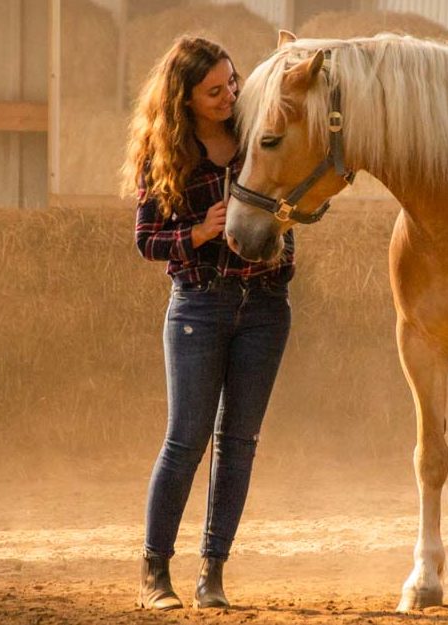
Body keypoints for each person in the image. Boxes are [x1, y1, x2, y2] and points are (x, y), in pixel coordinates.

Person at [121, 36, 294, 611]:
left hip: (266, 306)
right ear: (186, 98)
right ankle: (154, 572)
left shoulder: (255, 134)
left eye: (233, 83)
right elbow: (146, 239)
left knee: (239, 444)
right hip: (199, 303)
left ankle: (212, 574)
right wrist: (197, 232)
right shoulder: (165, 151)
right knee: (186, 440)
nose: (229, 96)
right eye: (214, 91)